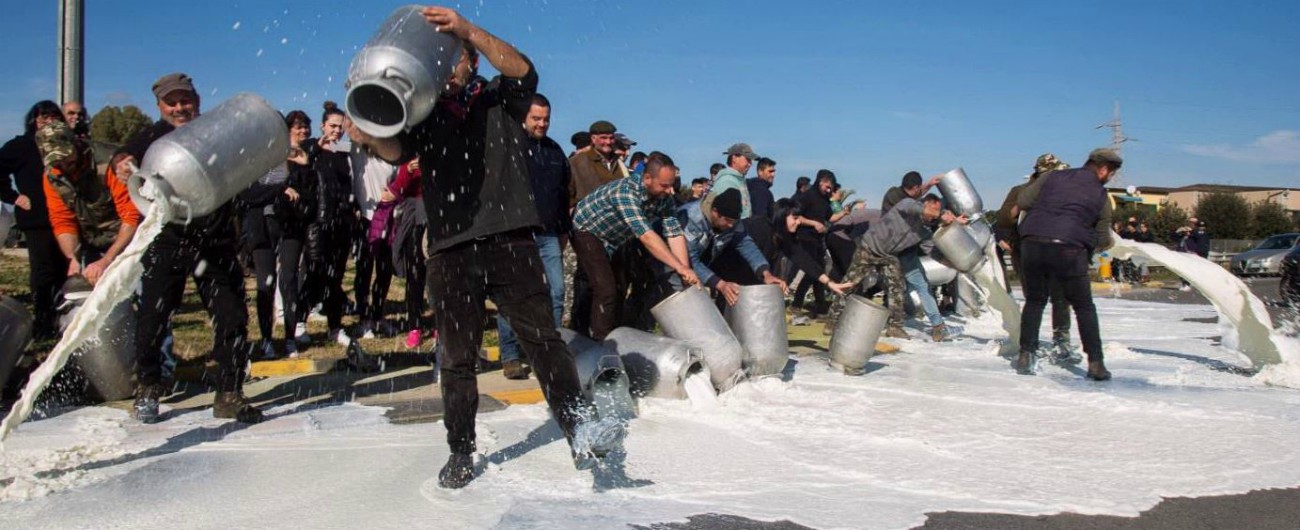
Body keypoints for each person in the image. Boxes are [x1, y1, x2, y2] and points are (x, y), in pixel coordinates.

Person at [345, 6, 624, 487]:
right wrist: (370, 134)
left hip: (510, 239)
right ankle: (460, 451)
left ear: (468, 60)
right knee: (456, 357)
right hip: (451, 250)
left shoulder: (498, 98)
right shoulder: (425, 112)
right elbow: (398, 151)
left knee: (543, 343)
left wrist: (465, 30)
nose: (441, 64)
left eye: (451, 56)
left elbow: (523, 68)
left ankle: (579, 428)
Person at [115, 72, 263, 423]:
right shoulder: (151, 137)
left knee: (231, 317)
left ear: (197, 101)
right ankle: (148, 389)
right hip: (167, 241)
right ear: (160, 106)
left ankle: (229, 392)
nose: (180, 107)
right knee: (153, 317)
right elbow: (125, 156)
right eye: (172, 102)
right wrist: (122, 162)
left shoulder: (213, 132)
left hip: (215, 242)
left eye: (186, 100)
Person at [1015, 148, 1120, 381]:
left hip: (1032, 242)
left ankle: (1025, 354)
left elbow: (1022, 200)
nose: (1110, 178)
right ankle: (1096, 363)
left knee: (1034, 301)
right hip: (1069, 249)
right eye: (1111, 174)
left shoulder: (1051, 177)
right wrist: (1106, 243)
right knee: (1084, 306)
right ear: (1103, 170)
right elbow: (1103, 238)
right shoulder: (1101, 196)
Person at [572, 154, 700, 340]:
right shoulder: (626, 192)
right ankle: (599, 343)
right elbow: (647, 237)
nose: (669, 191)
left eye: (671, 185)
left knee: (620, 287)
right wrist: (678, 266)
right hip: (588, 230)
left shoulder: (665, 198)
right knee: (605, 288)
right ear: (647, 178)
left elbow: (674, 233)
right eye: (664, 185)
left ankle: (613, 334)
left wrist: (685, 270)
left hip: (616, 238)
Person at [497, 93, 571, 380]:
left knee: (555, 291)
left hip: (549, 233)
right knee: (514, 296)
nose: (542, 124)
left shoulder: (554, 151)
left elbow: (562, 192)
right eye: (536, 119)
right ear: (523, 118)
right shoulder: (509, 146)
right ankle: (511, 354)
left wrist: (563, 229)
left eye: (546, 119)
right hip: (515, 233)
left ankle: (544, 351)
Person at [829, 195, 964, 341]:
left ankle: (895, 327)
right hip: (868, 247)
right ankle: (832, 320)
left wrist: (959, 265)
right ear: (926, 204)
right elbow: (925, 210)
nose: (933, 216)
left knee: (897, 287)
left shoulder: (924, 231)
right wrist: (943, 214)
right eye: (934, 209)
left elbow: (933, 253)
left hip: (888, 256)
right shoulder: (907, 205)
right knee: (850, 283)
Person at [237, 112, 307, 359]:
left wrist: (302, 166)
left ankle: (290, 338)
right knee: (265, 282)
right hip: (262, 226)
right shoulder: (252, 159)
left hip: (290, 225)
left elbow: (304, 192)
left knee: (288, 280)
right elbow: (248, 193)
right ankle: (267, 338)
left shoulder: (294, 155)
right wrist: (279, 189)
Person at [37, 120, 140, 286]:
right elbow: (62, 220)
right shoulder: (52, 176)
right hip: (93, 243)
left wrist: (107, 260)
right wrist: (72, 259)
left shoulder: (110, 163)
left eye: (66, 157)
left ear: (76, 144)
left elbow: (131, 216)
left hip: (131, 242)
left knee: (132, 296)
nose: (63, 165)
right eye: (56, 161)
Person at [994, 153, 1074, 358]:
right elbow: (1002, 220)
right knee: (1035, 299)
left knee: (1061, 297)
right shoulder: (1021, 192)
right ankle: (1029, 346)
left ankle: (1061, 340)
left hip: (1058, 251)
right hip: (1026, 251)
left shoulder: (1063, 194)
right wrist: (1019, 208)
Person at [0, 101, 70, 339]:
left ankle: (63, 322)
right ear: (33, 121)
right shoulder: (21, 146)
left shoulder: (66, 144)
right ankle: (42, 323)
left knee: (64, 272)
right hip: (37, 219)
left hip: (66, 219)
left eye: (53, 117)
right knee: (43, 273)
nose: (48, 122)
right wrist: (13, 197)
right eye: (43, 118)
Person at [297, 103, 357, 349]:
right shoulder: (311, 149)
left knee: (335, 278)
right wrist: (314, 149)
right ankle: (299, 322)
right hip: (318, 222)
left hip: (341, 222)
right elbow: (298, 163)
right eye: (332, 126)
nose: (336, 131)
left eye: (340, 127)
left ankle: (335, 327)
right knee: (314, 274)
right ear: (322, 126)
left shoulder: (343, 153)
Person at [675, 188, 787, 305]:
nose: (731, 225)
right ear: (715, 212)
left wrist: (765, 273)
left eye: (734, 221)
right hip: (675, 266)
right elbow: (690, 259)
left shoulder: (733, 222)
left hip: (700, 267)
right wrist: (721, 284)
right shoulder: (690, 219)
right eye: (727, 220)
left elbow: (745, 243)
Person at [376, 156, 428, 349]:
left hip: (436, 215)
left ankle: (441, 324)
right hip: (414, 219)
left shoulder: (440, 150)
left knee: (437, 275)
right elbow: (397, 190)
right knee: (415, 275)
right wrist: (408, 171)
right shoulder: (409, 159)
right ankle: (415, 326)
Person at [350, 132, 399, 337]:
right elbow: (353, 127)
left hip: (388, 217)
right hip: (367, 218)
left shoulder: (393, 156)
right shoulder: (361, 153)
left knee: (384, 270)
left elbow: (398, 181)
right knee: (364, 269)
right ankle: (363, 318)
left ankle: (378, 315)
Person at [279, 110, 315, 355]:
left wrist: (309, 164)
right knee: (289, 274)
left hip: (311, 220)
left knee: (312, 271)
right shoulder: (279, 155)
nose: (303, 131)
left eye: (305, 127)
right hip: (289, 223)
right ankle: (289, 331)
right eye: (298, 127)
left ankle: (302, 316)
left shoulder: (312, 153)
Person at [790, 170, 835, 316]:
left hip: (817, 239)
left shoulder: (825, 199)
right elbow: (796, 216)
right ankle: (797, 303)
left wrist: (846, 213)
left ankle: (820, 304)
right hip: (805, 237)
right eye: (827, 187)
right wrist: (813, 223)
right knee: (813, 271)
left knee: (819, 271)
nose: (829, 190)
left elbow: (830, 217)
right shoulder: (807, 196)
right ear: (821, 182)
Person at [710, 143, 759, 220]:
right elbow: (726, 220)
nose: (750, 164)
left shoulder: (737, 180)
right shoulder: (727, 182)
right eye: (748, 159)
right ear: (734, 158)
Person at [1174, 218, 1210, 291]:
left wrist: (1189, 232)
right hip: (1184, 253)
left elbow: (1196, 238)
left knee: (1194, 270)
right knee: (1185, 269)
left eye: (1193, 223)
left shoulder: (1197, 233)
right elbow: (1175, 237)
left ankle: (1190, 284)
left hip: (1193, 253)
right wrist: (1178, 231)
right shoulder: (1187, 232)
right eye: (1190, 222)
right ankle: (1186, 284)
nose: (1201, 229)